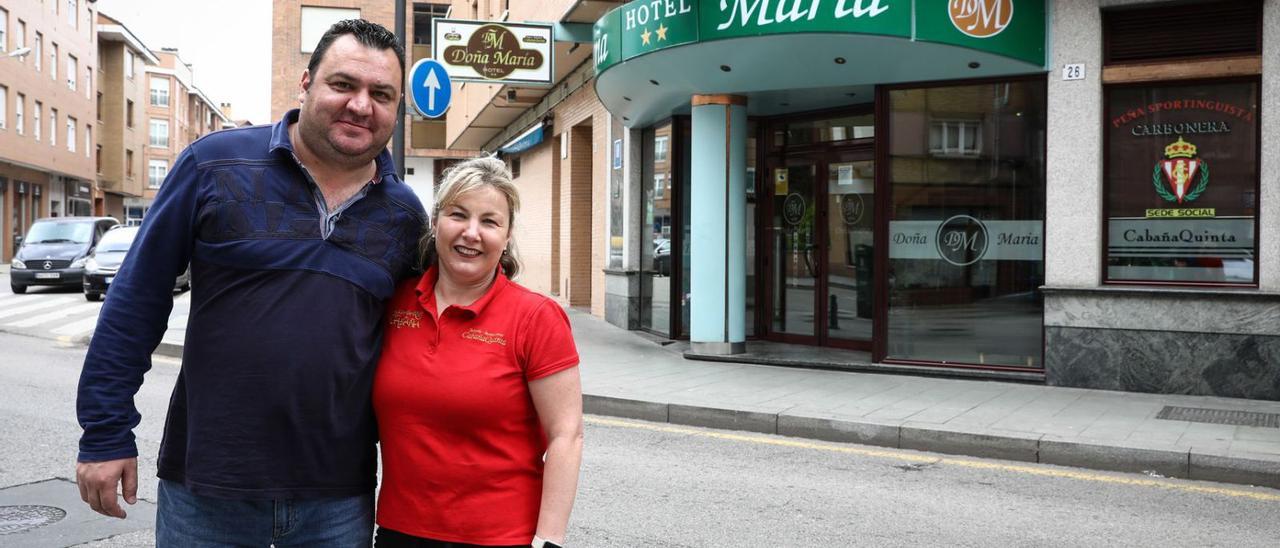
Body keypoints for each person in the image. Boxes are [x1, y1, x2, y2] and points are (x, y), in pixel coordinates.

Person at [75, 19, 425, 546]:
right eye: (343, 85)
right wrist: (105, 434)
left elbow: (427, 341)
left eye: (381, 94)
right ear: (306, 84)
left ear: (397, 108)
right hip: (207, 493)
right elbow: (135, 302)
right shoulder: (213, 166)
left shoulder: (403, 215)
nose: (361, 105)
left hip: (336, 500)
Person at [373, 157, 584, 548]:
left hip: (501, 537)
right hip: (399, 532)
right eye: (458, 214)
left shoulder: (537, 317)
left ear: (506, 236)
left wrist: (549, 540)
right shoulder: (394, 303)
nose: (471, 233)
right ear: (435, 222)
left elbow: (566, 434)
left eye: (489, 221)